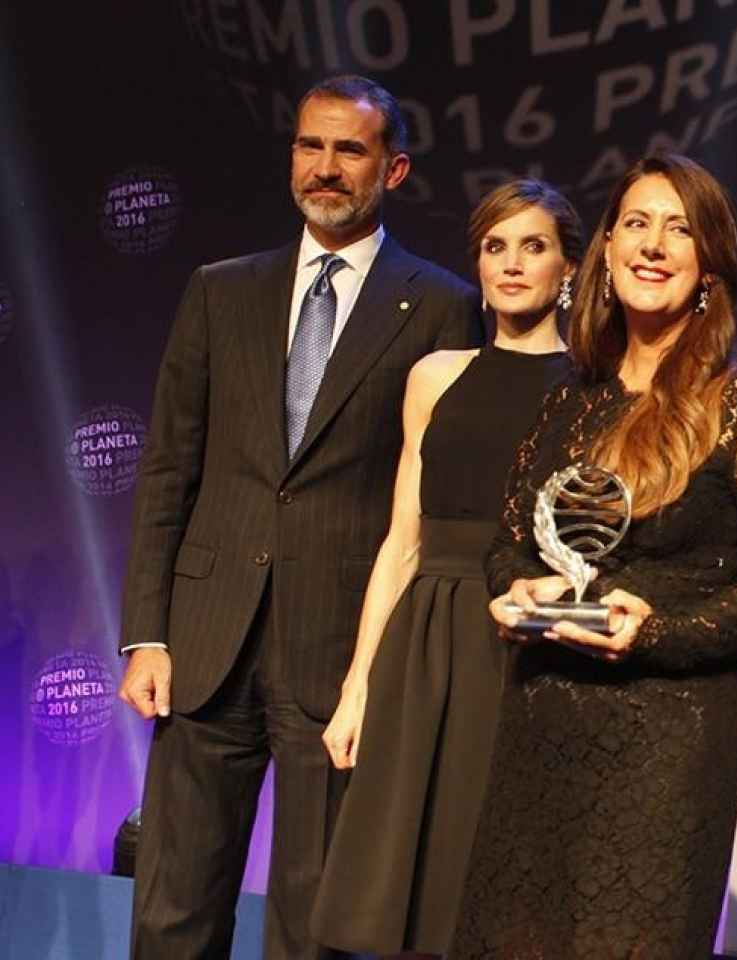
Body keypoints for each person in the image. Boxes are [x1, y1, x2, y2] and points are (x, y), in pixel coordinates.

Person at [116, 75, 483, 959]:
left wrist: (388, 659)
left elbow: (431, 495)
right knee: (173, 906)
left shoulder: (439, 303)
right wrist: (146, 634)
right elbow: (170, 468)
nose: (326, 168)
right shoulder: (220, 290)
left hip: (341, 652)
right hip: (206, 646)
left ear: (392, 170)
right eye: (309, 146)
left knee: (315, 918)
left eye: (349, 150)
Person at [451, 153, 737, 958]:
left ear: (708, 267)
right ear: (608, 250)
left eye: (679, 229)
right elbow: (508, 543)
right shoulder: (570, 395)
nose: (653, 245)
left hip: (669, 742)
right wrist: (521, 592)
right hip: (541, 724)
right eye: (636, 224)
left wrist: (657, 630)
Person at [308, 179, 582, 957]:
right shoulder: (435, 375)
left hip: (528, 641)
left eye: (534, 246)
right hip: (426, 641)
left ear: (569, 267)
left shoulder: (597, 388)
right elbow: (403, 539)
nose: (512, 265)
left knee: (499, 872)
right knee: (408, 881)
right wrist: (359, 685)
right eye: (496, 247)